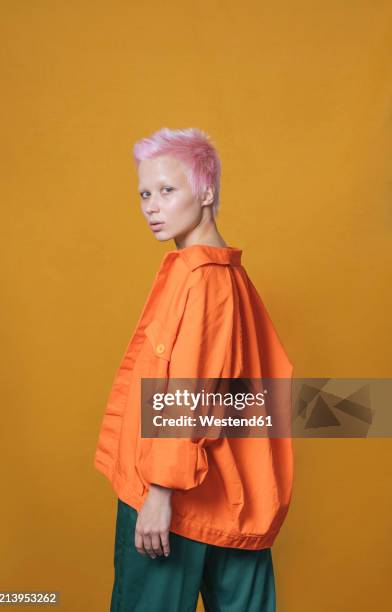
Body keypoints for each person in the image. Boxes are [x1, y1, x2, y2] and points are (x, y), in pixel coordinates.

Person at [94, 127, 294, 611]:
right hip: (237, 497)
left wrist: (159, 493)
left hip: (178, 502)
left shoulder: (201, 281)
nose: (151, 205)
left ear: (206, 192)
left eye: (167, 190)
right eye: (144, 193)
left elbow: (192, 391)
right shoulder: (230, 275)